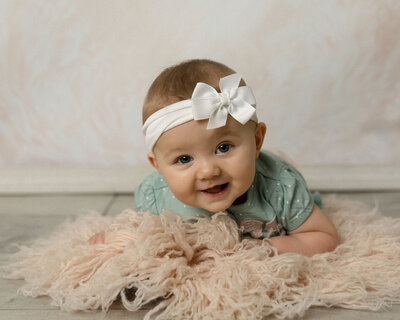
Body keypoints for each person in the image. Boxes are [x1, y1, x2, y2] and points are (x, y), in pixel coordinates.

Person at [90, 59, 338, 257]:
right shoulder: (157, 194)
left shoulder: (281, 187)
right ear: (159, 167)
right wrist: (115, 236)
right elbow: (138, 226)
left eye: (223, 147)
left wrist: (273, 248)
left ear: (256, 140)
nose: (208, 171)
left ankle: (274, 157)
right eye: (185, 159)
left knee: (277, 167)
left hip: (267, 172)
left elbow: (325, 237)